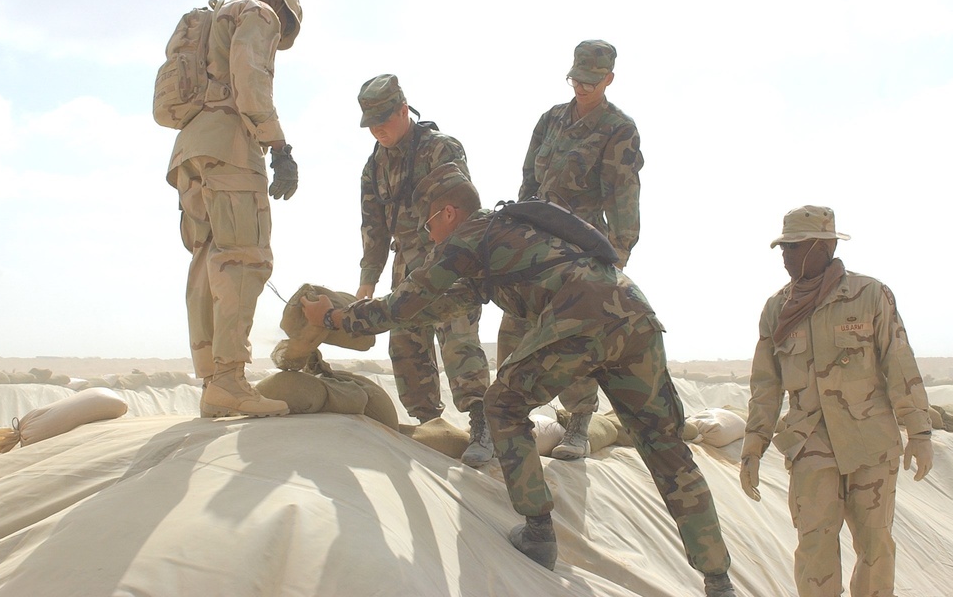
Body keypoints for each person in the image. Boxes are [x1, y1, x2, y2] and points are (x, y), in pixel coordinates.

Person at [301, 164, 737, 595]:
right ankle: (718, 581)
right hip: (633, 312)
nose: (427, 234)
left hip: (582, 313)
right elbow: (433, 308)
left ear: (449, 213)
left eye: (428, 223)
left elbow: (403, 303)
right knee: (666, 450)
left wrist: (335, 317)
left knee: (503, 404)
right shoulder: (501, 237)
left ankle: (538, 532)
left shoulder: (467, 238)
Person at [740, 205, 933, 597]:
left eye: (793, 247)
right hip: (810, 445)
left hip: (870, 443)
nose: (784, 255)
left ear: (822, 246)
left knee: (876, 548)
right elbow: (765, 386)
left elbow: (899, 363)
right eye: (783, 247)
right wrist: (753, 447)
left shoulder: (869, 295)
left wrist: (920, 431)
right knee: (814, 549)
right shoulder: (777, 309)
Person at [498, 39, 645, 460]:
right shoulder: (551, 121)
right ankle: (508, 419)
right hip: (536, 242)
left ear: (608, 80)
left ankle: (579, 421)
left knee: (575, 334)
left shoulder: (619, 129)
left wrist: (617, 258)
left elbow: (623, 196)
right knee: (515, 327)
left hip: (582, 248)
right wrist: (514, 227)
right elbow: (529, 179)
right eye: (576, 79)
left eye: (591, 82)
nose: (582, 87)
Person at [165, 0, 303, 418]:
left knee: (208, 260)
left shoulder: (207, 23)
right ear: (281, 11)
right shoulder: (259, 14)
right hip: (230, 149)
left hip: (190, 152)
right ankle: (229, 378)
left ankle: (213, 383)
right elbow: (251, 79)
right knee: (244, 258)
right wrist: (279, 146)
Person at [355, 74, 493, 467]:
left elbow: (460, 207)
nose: (378, 130)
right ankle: (429, 424)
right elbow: (373, 227)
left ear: (404, 110)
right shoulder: (374, 166)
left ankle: (482, 424)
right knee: (405, 346)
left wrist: (454, 264)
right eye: (371, 124)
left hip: (450, 258)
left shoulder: (440, 148)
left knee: (459, 340)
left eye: (384, 120)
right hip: (405, 265)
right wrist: (368, 282)